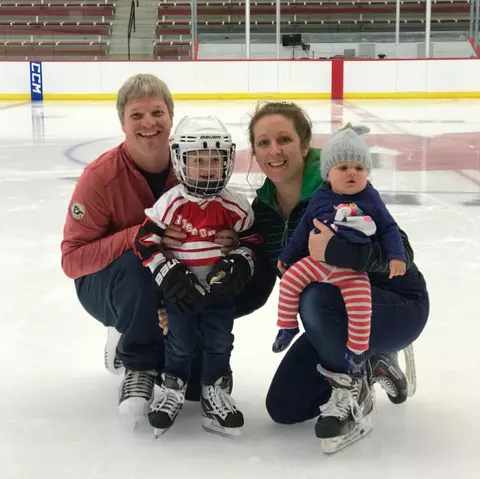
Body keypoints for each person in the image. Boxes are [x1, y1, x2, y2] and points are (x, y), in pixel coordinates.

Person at [246, 101, 429, 453]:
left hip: (396, 305)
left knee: (316, 297)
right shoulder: (263, 210)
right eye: (263, 143)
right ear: (254, 151)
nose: (274, 150)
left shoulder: (344, 184)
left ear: (304, 145)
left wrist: (340, 252)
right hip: (329, 318)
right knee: (284, 408)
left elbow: (402, 254)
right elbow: (259, 281)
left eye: (284, 139)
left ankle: (352, 392)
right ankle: (373, 360)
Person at [60, 74, 237, 427]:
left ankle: (181, 337)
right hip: (113, 284)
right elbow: (72, 260)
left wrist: (230, 241)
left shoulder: (195, 163)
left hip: (181, 280)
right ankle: (137, 359)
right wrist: (135, 236)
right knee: (138, 258)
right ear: (122, 122)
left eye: (157, 112)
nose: (148, 123)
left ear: (171, 117)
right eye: (136, 115)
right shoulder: (100, 177)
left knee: (192, 386)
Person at [133, 115, 258, 436]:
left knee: (220, 342)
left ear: (227, 162)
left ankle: (214, 391)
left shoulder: (236, 205)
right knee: (180, 343)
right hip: (182, 293)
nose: (206, 168)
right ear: (180, 161)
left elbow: (252, 242)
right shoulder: (170, 204)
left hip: (220, 294)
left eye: (214, 161)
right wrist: (169, 274)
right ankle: (172, 389)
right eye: (197, 160)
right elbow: (145, 240)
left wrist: (240, 263)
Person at [273, 124, 407, 383]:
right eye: (343, 168)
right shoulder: (321, 197)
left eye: (359, 168)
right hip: (317, 263)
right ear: (328, 173)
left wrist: (396, 256)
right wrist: (288, 255)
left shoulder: (371, 198)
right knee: (290, 280)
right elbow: (303, 228)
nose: (352, 174)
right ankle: (287, 326)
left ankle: (357, 353)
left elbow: (390, 228)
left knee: (361, 307)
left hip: (352, 271)